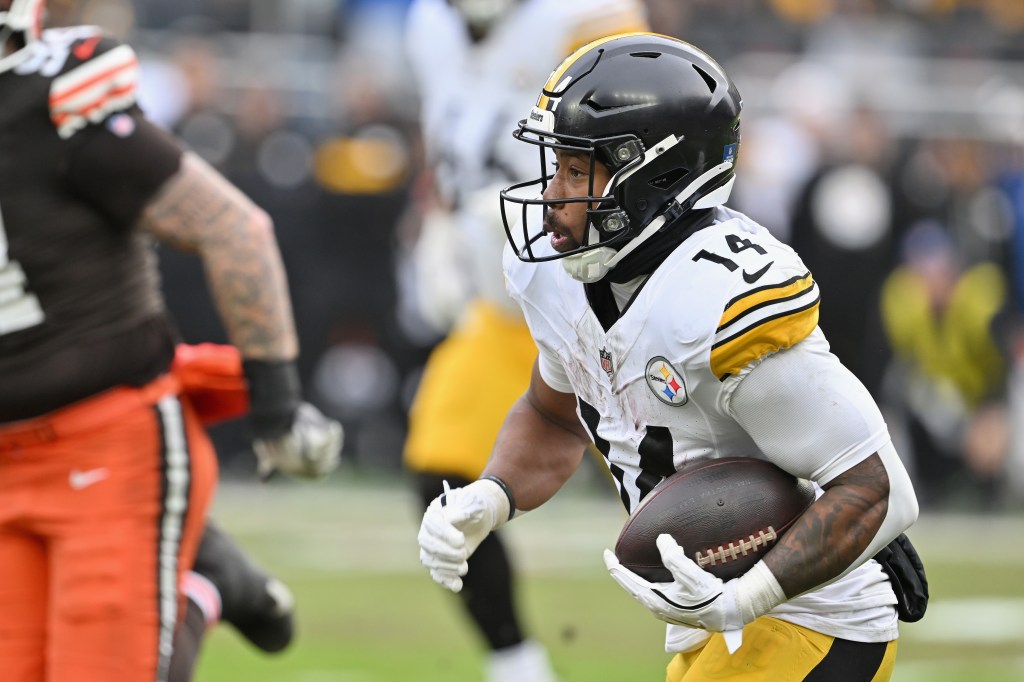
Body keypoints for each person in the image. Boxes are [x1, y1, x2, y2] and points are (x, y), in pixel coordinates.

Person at [417, 33, 921, 681]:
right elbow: (555, 414)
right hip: (714, 625)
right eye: (555, 166)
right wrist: (492, 495)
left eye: (577, 169)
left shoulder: (716, 298)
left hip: (809, 621)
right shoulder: (559, 276)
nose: (551, 196)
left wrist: (748, 596)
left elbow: (879, 488)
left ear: (657, 174)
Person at [0, 3, 341, 681]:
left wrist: (275, 405)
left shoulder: (48, 100)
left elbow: (232, 227)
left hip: (105, 437)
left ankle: (196, 587)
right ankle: (206, 573)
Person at [403, 1, 646, 680]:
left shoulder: (587, 14)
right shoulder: (428, 25)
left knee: (682, 483)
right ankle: (517, 665)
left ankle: (802, 618)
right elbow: (447, 137)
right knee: (442, 468)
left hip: (607, 299)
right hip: (507, 304)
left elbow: (650, 131)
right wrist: (439, 227)